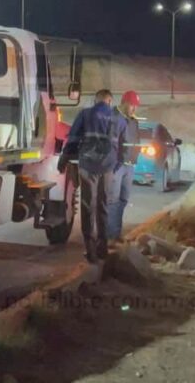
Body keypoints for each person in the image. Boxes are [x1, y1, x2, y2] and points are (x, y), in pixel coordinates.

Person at [58, 89, 127, 263]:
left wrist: (65, 158)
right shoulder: (118, 119)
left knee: (88, 205)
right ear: (110, 101)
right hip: (107, 167)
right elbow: (124, 147)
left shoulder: (86, 114)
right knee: (103, 204)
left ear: (96, 100)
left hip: (88, 165)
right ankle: (102, 247)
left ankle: (90, 250)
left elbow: (73, 138)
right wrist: (116, 165)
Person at [108, 90, 141, 242]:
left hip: (129, 166)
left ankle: (116, 232)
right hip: (117, 166)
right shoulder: (113, 118)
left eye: (136, 106)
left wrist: (134, 157)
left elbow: (135, 141)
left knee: (123, 200)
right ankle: (109, 236)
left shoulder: (133, 121)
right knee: (112, 201)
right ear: (124, 103)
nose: (134, 109)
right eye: (132, 105)